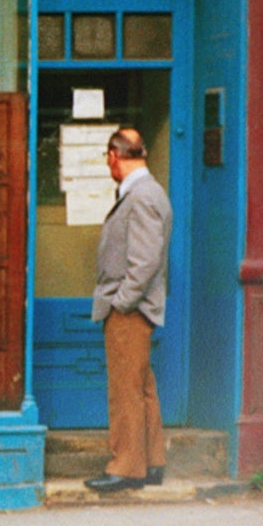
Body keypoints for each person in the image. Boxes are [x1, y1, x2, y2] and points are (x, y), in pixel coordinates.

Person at [89, 123, 170, 493]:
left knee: (124, 388)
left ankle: (126, 467)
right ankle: (152, 462)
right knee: (141, 387)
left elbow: (145, 261)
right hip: (136, 307)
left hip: (130, 310)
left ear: (113, 157)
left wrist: (121, 303)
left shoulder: (142, 196)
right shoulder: (146, 193)